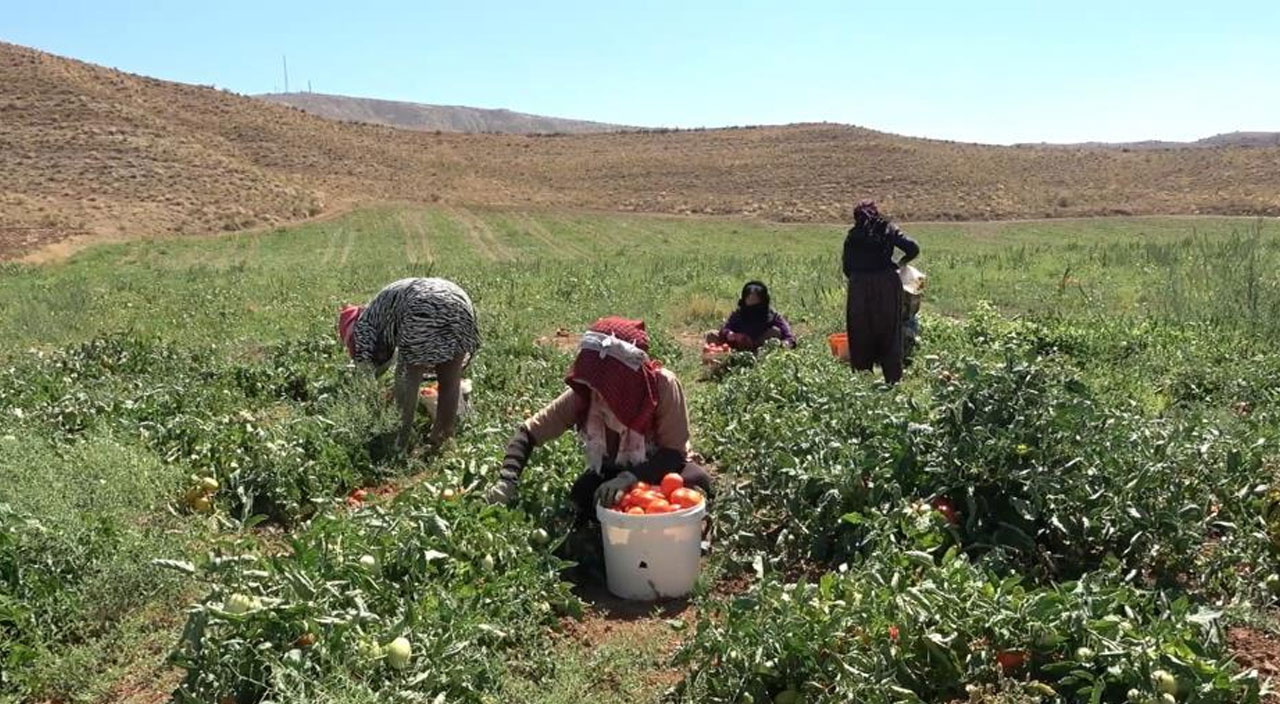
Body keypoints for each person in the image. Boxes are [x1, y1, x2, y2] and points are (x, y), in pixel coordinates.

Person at [485, 316, 712, 519]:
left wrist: (630, 478)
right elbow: (528, 433)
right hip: (611, 472)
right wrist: (507, 480)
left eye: (607, 388)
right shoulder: (586, 395)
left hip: (658, 467)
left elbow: (673, 453)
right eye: (596, 386)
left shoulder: (661, 388)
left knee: (696, 481)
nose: (599, 395)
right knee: (583, 495)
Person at [337, 277, 479, 448]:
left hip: (422, 304)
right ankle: (441, 438)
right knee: (450, 380)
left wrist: (369, 395)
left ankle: (401, 442)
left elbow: (367, 363)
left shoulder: (363, 324)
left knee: (408, 377)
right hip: (459, 301)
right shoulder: (379, 305)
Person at [842, 200, 919, 384]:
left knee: (860, 331)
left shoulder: (852, 236)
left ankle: (862, 381)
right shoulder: (887, 229)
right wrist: (900, 263)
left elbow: (847, 268)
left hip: (859, 287)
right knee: (889, 332)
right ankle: (893, 381)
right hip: (887, 284)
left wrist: (860, 278)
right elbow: (913, 248)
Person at [705, 280, 797, 352]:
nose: (752, 301)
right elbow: (725, 328)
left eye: (755, 299)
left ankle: (758, 356)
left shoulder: (772, 316)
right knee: (711, 334)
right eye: (749, 298)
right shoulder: (738, 314)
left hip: (759, 346)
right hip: (737, 345)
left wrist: (786, 343)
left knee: (775, 332)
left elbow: (788, 335)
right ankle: (724, 355)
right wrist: (729, 334)